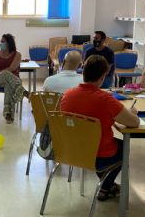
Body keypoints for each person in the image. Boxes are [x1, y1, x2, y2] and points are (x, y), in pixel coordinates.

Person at [60, 55, 140, 201]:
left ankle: (106, 183)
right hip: (99, 156)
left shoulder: (67, 95)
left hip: (73, 151)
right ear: (103, 77)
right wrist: (132, 113)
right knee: (123, 147)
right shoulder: (106, 100)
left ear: (83, 72)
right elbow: (134, 123)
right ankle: (106, 186)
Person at [0, 33, 29, 123]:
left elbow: (12, 68)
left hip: (13, 80)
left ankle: (8, 114)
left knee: (8, 84)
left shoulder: (17, 55)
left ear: (9, 43)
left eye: (3, 42)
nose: (1, 44)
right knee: (6, 75)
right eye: (0, 42)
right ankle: (22, 91)